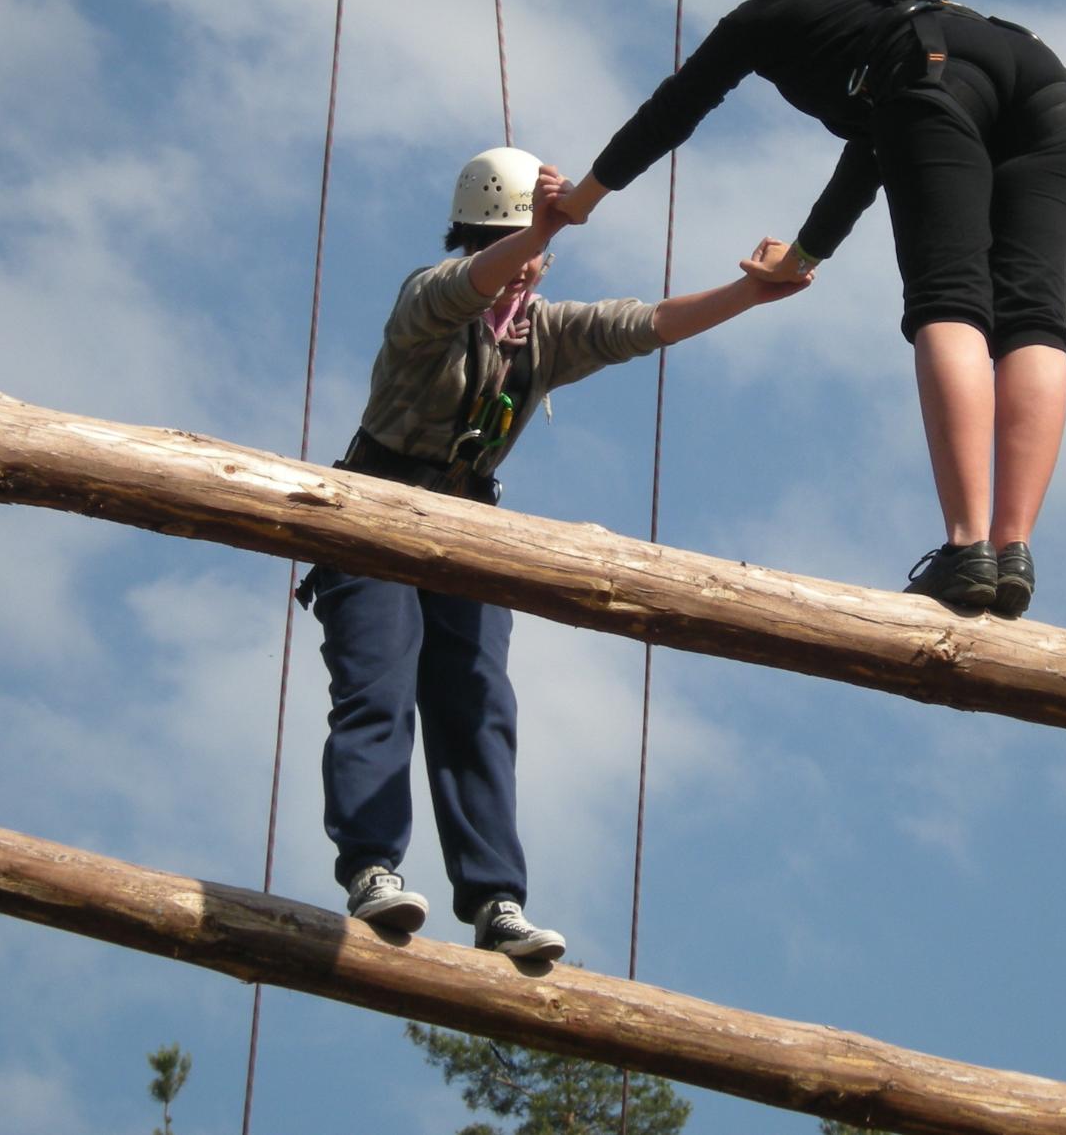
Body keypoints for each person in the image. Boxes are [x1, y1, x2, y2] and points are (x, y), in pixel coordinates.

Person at [299, 146, 808, 960]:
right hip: (374, 506)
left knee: (478, 707)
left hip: (467, 526)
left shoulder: (544, 333)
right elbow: (472, 283)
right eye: (517, 244)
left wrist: (753, 291)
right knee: (377, 688)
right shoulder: (431, 299)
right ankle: (371, 868)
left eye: (539, 250)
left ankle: (496, 897)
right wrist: (536, 229)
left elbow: (645, 325)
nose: (529, 264)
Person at [555, 0, 1066, 618]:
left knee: (951, 299)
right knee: (1033, 319)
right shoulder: (887, 8)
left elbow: (675, 109)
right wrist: (803, 257)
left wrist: (583, 199)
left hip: (933, 78)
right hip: (1047, 85)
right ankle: (1014, 550)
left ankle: (970, 547)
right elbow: (878, 147)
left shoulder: (774, 12)